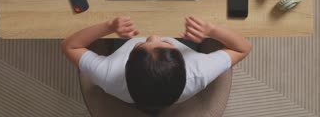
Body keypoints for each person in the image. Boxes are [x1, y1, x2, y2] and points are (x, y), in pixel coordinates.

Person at [61, 16, 252, 114]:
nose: (154, 35)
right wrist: (211, 29)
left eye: (142, 44)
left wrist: (109, 26)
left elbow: (69, 46)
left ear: (125, 66)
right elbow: (243, 48)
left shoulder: (109, 74)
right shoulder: (199, 71)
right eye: (165, 43)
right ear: (184, 64)